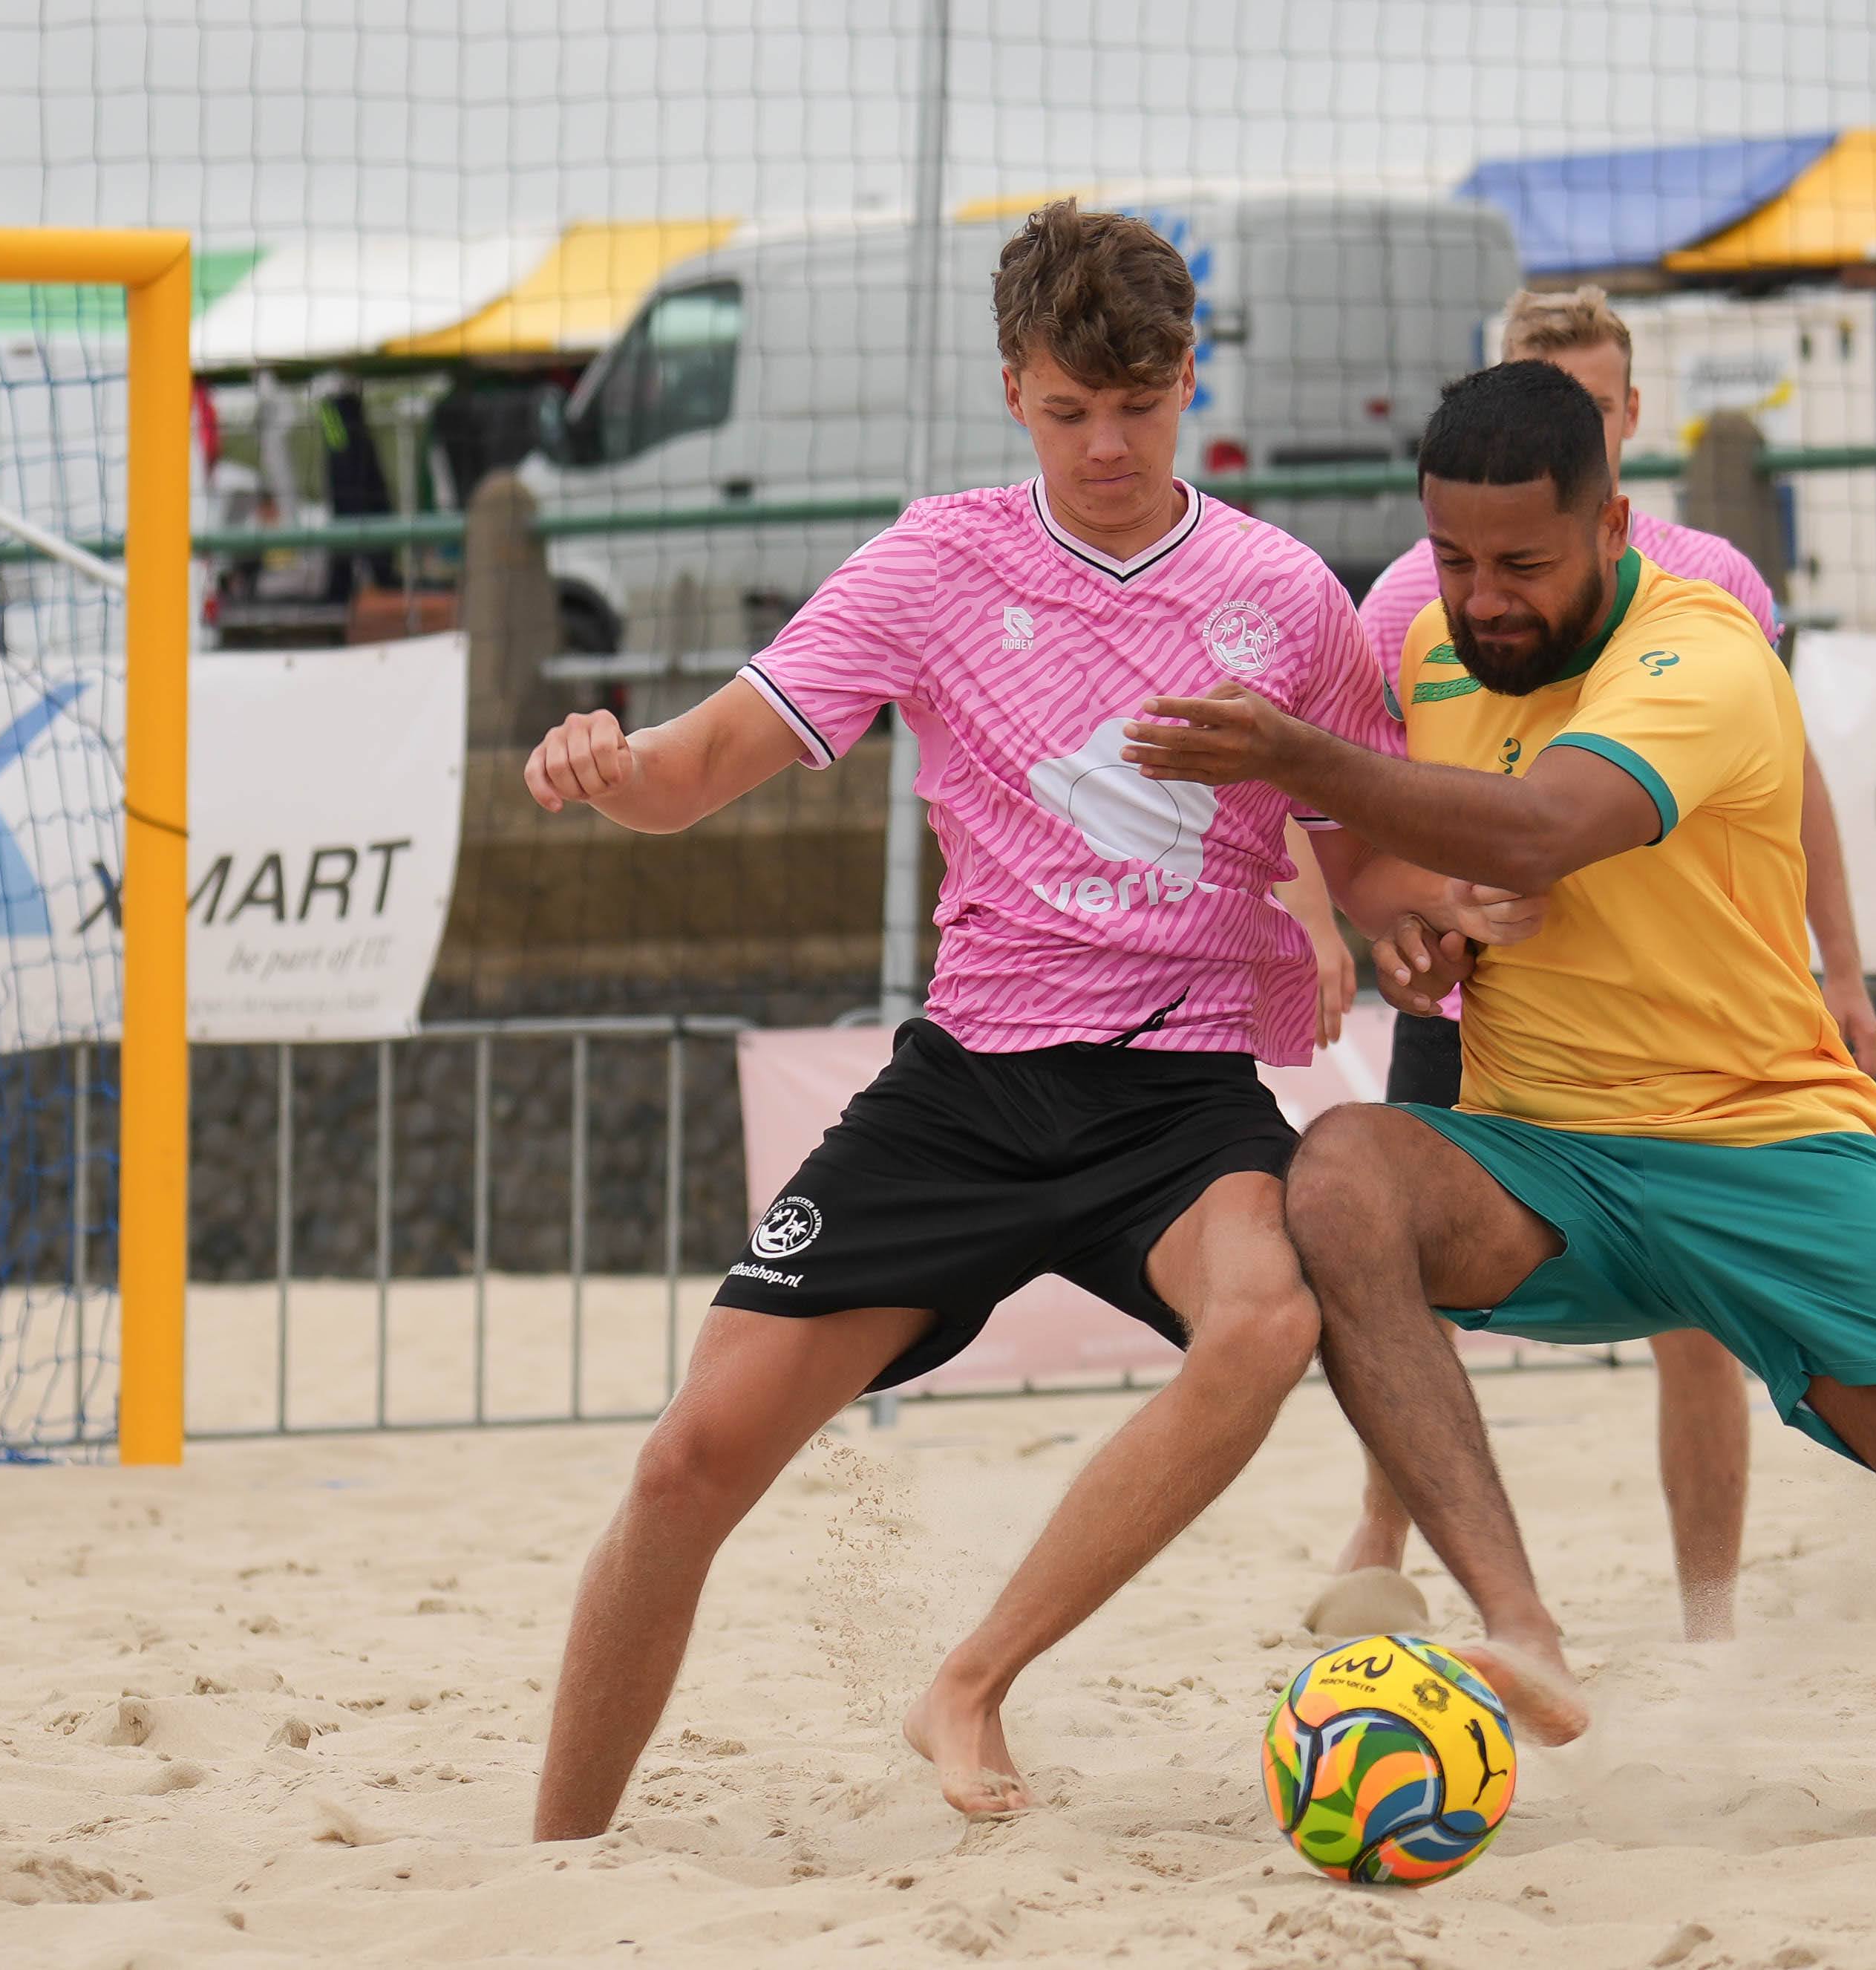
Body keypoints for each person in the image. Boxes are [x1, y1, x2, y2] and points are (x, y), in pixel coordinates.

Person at [1120, 362, 1876, 1810]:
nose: (1481, 599)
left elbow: (1539, 826)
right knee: (1344, 1167)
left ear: (1610, 526)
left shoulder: (1704, 649)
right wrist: (1420, 918)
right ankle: (1520, 1628)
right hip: (1549, 1168)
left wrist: (1305, 763)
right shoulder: (1427, 651)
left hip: (1768, 1159)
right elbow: (1443, 854)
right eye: (1453, 559)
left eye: (1521, 565)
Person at [515, 202, 1497, 1830]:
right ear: (1010, 391)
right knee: (687, 1461)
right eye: (1066, 410)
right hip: (967, 1087)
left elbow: (1366, 857)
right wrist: (605, 765)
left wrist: (1423, 919)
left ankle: (967, 1680)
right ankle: (559, 1859)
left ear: (1188, 375)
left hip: (1178, 1097)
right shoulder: (933, 560)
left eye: (1137, 405)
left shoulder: (1282, 595)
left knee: (1266, 1318)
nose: (1105, 445)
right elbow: (688, 775)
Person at [1340, 286, 1876, 1645]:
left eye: (1588, 402)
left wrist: (1842, 964)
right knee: (1388, 1258)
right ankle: (1382, 1537)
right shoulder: (1415, 595)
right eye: (1538, 389)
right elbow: (1371, 826)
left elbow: (1791, 774)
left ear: (1626, 419)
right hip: (1486, 993)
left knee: (1695, 1316)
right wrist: (1414, 917)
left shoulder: (1711, 583)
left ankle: (1708, 1612)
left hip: (1676, 1019)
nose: (1564, 416)